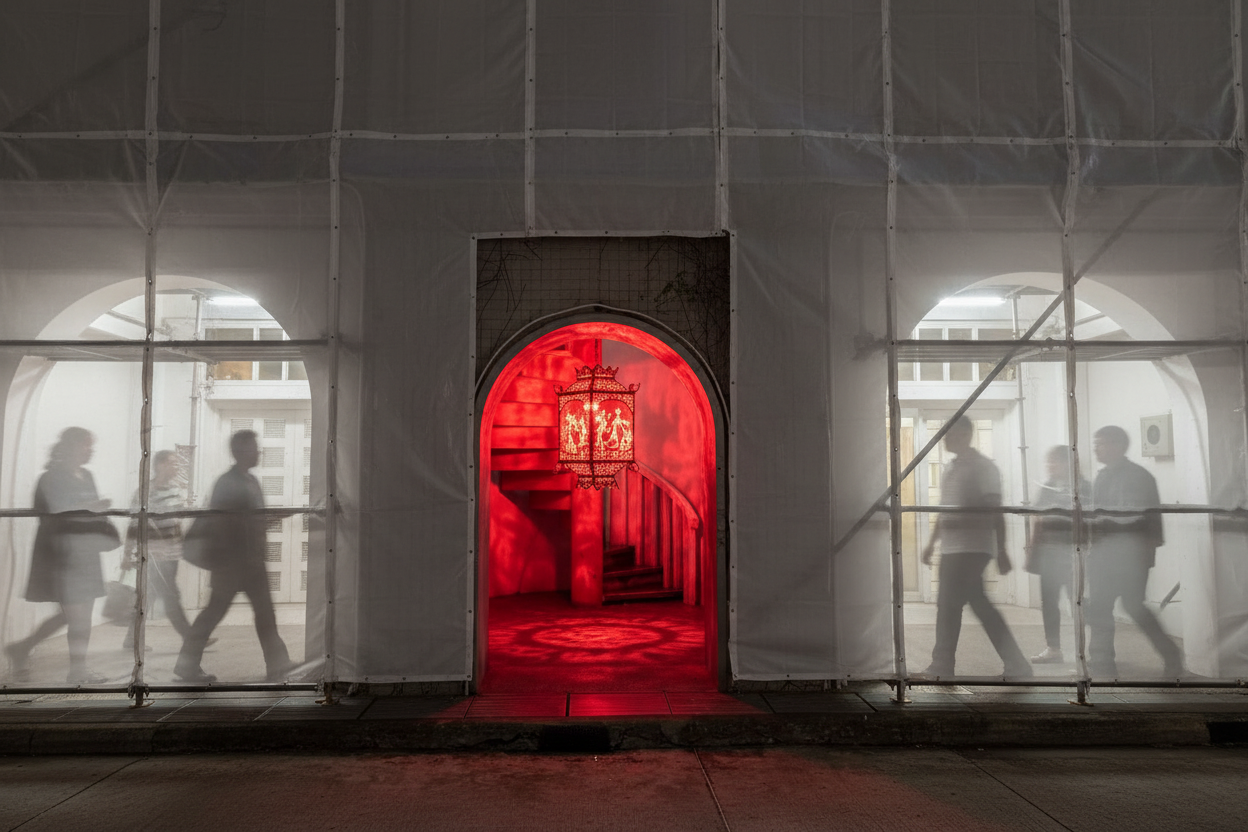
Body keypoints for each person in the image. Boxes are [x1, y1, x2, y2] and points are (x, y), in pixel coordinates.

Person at [174, 430, 291, 683]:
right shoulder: (228, 483)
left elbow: (251, 521)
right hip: (232, 564)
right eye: (254, 448)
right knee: (215, 614)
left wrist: (269, 519)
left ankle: (279, 665)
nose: (258, 452)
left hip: (250, 562)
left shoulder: (250, 481)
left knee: (263, 614)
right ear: (240, 452)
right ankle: (187, 666)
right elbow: (224, 524)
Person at [4, 427, 119, 684]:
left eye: (91, 445)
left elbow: (89, 510)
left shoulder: (87, 475)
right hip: (63, 556)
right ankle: (77, 671)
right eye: (86, 445)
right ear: (70, 446)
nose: (90, 450)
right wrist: (90, 508)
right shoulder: (49, 478)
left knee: (75, 616)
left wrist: (98, 513)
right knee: (77, 618)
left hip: (85, 553)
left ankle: (22, 648)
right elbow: (52, 514)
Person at [921, 416, 1031, 678]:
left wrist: (1001, 550)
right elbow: (944, 511)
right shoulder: (951, 468)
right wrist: (932, 543)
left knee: (955, 606)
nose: (945, 439)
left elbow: (995, 510)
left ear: (965, 434)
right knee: (963, 605)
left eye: (949, 434)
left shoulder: (983, 468)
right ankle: (1014, 664)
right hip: (952, 549)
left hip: (972, 548)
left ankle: (943, 665)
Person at [1086, 425, 1183, 678]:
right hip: (1104, 554)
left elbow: (1150, 519)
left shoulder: (1139, 477)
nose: (1096, 449)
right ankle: (1101, 661)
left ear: (1118, 446)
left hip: (1130, 555)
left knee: (1133, 606)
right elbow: (1097, 515)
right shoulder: (1102, 477)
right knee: (1100, 607)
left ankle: (1171, 655)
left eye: (1101, 443)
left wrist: (1145, 554)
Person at [121, 450, 194, 651]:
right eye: (172, 463)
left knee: (150, 596)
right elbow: (134, 524)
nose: (176, 467)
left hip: (172, 554)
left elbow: (177, 521)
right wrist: (127, 554)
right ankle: (191, 638)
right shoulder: (146, 491)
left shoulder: (175, 490)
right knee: (171, 596)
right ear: (160, 465)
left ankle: (131, 639)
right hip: (153, 555)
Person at [1025, 446, 1091, 664]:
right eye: (1049, 461)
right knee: (1049, 602)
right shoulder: (1048, 487)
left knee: (1077, 601)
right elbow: (1038, 518)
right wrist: (1033, 549)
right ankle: (1053, 648)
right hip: (1050, 556)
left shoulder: (1083, 487)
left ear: (1068, 463)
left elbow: (1089, 522)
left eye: (1055, 461)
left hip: (1073, 556)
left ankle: (1084, 649)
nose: (1050, 466)